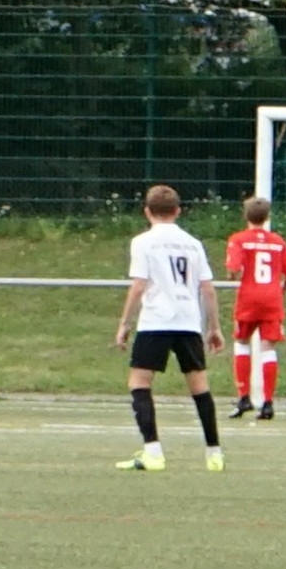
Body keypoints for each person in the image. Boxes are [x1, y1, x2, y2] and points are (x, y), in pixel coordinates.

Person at [114, 185, 226, 472]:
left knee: (139, 382)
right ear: (177, 211)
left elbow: (139, 285)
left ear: (147, 212)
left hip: (156, 321)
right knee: (199, 386)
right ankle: (214, 454)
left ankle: (153, 452)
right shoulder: (193, 243)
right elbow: (207, 288)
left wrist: (125, 322)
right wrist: (214, 327)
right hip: (188, 321)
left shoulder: (143, 242)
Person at [226, 197, 286, 421]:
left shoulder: (238, 239)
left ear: (245, 215)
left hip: (248, 298)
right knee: (268, 348)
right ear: (267, 217)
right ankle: (267, 402)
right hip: (272, 298)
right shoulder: (278, 241)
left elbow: (233, 269)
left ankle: (244, 397)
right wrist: (280, 293)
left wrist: (233, 275)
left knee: (241, 343)